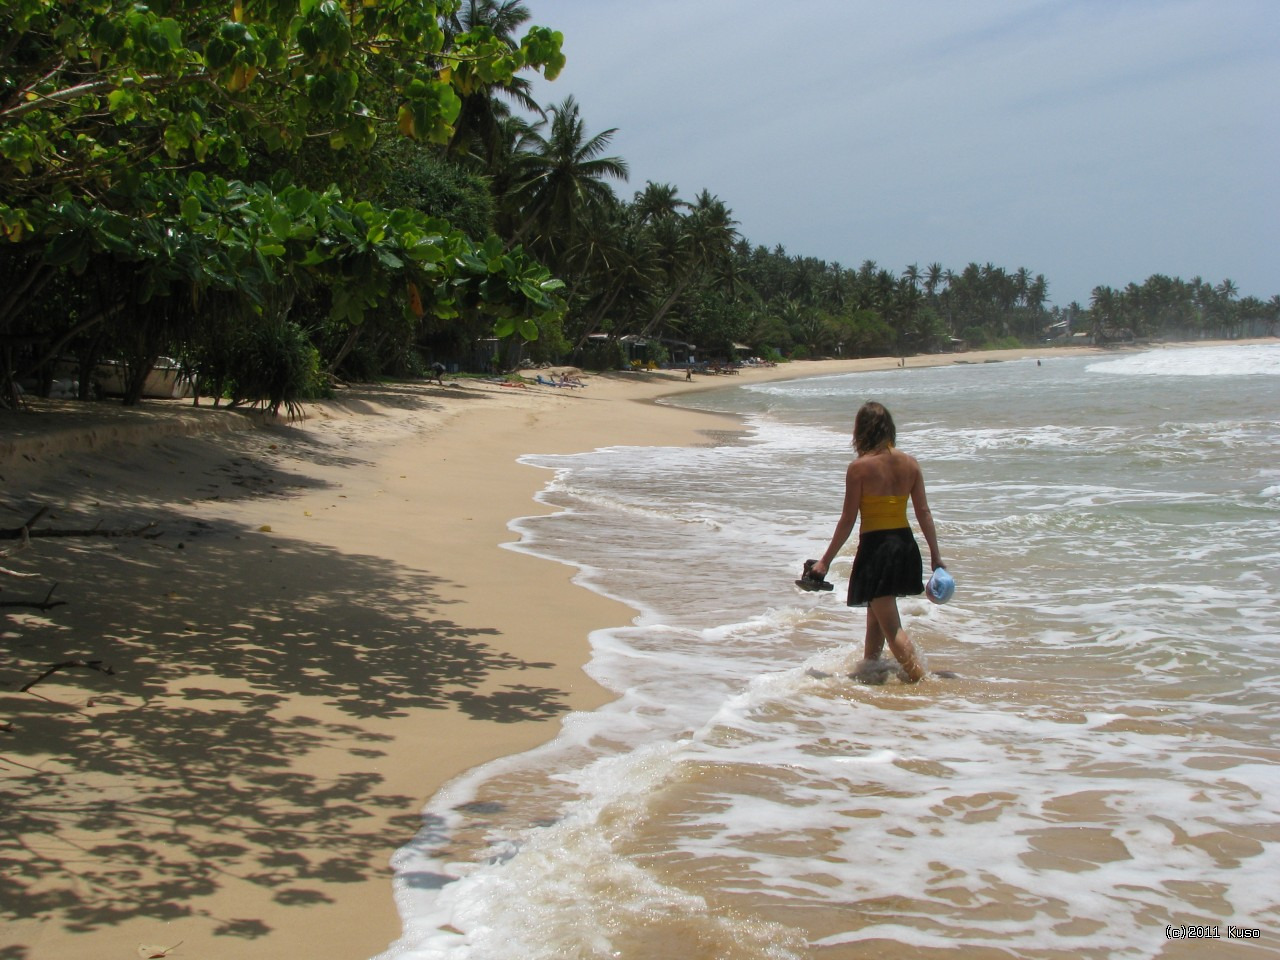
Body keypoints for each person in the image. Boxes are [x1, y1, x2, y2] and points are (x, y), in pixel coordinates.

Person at [810, 401, 943, 683]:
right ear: (889, 429)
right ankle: (871, 667)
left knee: (891, 626)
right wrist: (936, 555)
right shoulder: (911, 464)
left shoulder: (859, 468)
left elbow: (848, 519)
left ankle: (922, 682)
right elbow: (924, 512)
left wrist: (825, 561)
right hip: (905, 546)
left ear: (861, 431)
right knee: (876, 615)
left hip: (877, 549)